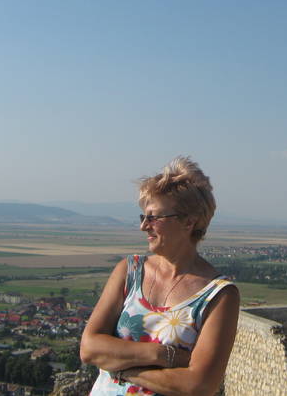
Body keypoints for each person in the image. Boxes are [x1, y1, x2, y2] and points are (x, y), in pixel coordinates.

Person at [81, 156, 240, 396]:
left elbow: (199, 385)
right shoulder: (129, 271)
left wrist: (123, 370)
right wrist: (161, 355)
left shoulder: (218, 296)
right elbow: (89, 348)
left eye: (154, 217)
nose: (144, 226)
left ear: (189, 221)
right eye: (143, 217)